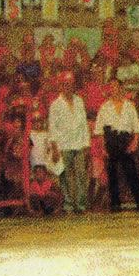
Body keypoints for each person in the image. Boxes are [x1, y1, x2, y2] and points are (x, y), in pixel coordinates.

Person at [94, 78, 139, 212]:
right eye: (111, 87)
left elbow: (137, 127)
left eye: (116, 86)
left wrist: (134, 142)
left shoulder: (129, 106)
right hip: (111, 139)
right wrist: (103, 147)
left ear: (121, 88)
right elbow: (99, 130)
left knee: (131, 170)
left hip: (124, 139)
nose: (114, 89)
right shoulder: (104, 107)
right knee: (112, 173)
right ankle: (115, 203)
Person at [48, 71, 90, 213]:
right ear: (61, 85)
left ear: (73, 85)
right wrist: (55, 149)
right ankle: (68, 205)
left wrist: (86, 144)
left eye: (70, 84)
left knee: (80, 175)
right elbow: (52, 128)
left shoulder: (79, 101)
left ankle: (81, 205)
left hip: (78, 144)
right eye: (65, 84)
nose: (68, 87)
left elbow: (84, 124)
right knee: (64, 176)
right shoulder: (55, 105)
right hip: (63, 145)